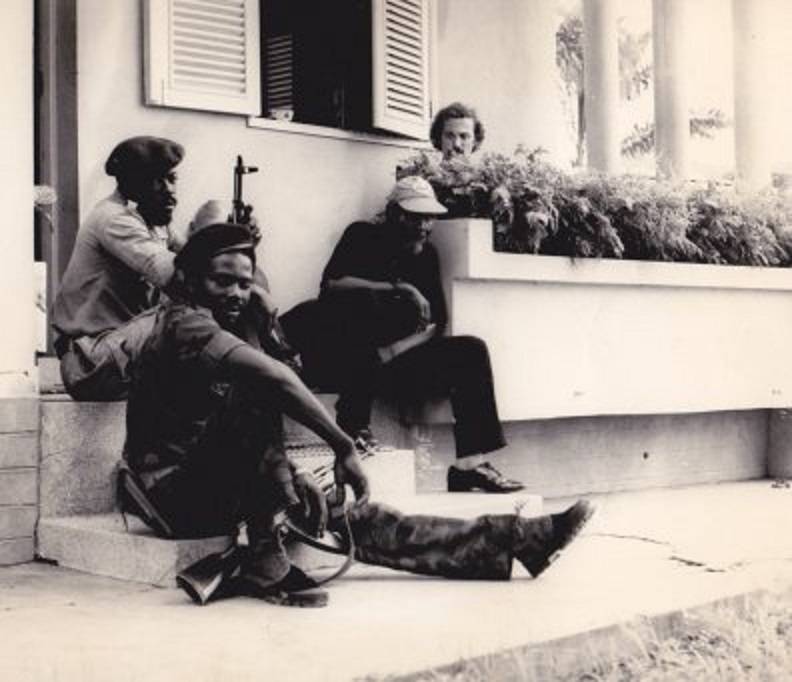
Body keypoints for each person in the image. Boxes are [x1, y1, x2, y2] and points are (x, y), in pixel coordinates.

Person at [120, 222, 594, 607]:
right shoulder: (184, 325)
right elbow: (275, 384)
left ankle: (515, 543)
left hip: (218, 483)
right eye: (221, 280)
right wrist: (342, 445)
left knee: (356, 519)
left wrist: (281, 476)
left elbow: (270, 388)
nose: (235, 293)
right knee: (259, 391)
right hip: (174, 493)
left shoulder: (228, 323)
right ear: (186, 279)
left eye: (245, 283)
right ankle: (264, 558)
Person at [289, 176, 525, 494]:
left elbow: (435, 324)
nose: (424, 226)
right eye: (415, 217)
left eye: (429, 218)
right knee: (363, 306)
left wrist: (394, 351)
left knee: (471, 350)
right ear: (393, 213)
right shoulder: (362, 235)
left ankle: (469, 466)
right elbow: (332, 287)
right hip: (344, 357)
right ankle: (354, 425)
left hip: (395, 362)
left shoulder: (427, 255)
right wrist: (400, 289)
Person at [52, 136, 185, 401]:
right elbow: (176, 276)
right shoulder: (114, 219)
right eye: (157, 180)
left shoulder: (154, 220)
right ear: (132, 184)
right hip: (91, 363)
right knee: (194, 307)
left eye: (172, 179)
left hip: (124, 354)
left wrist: (232, 238)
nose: (169, 189)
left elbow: (196, 255)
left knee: (228, 292)